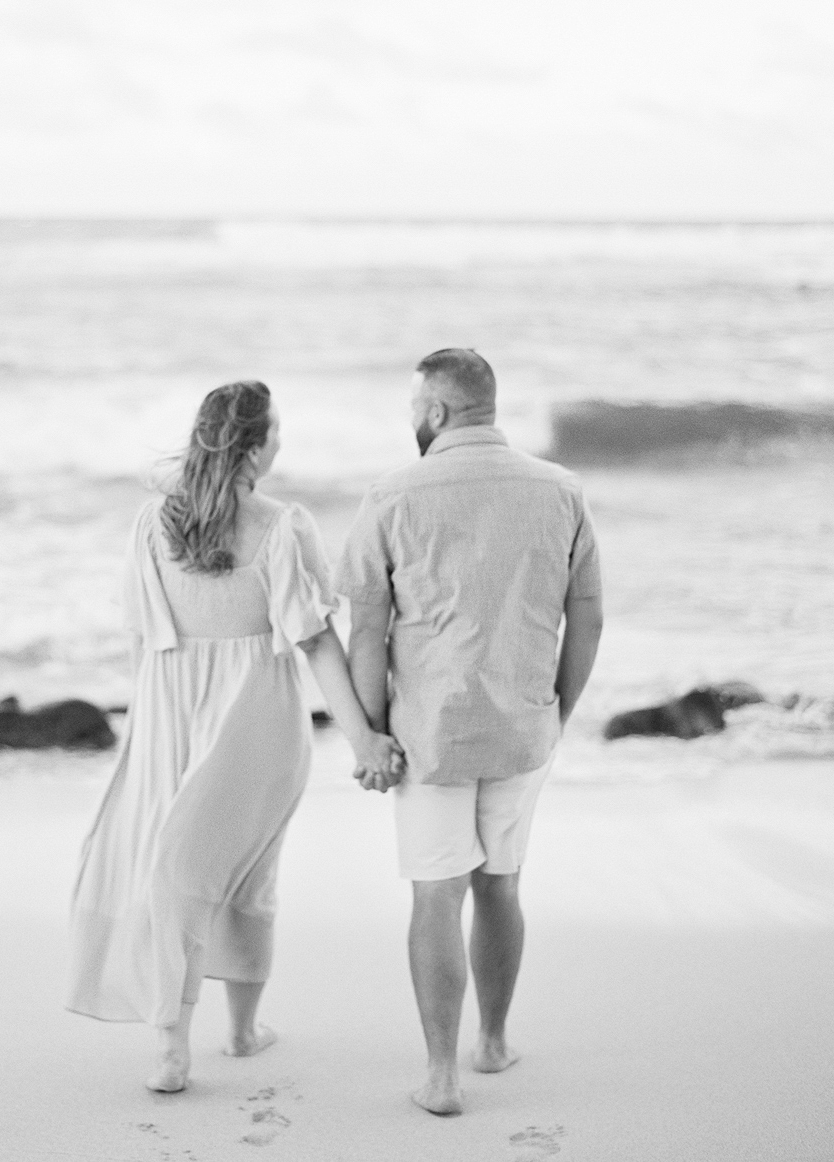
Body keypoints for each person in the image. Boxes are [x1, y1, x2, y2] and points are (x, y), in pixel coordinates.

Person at [66, 380, 404, 1094]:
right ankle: (241, 1031)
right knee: (248, 874)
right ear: (253, 445)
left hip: (168, 707)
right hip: (259, 719)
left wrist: (143, 732)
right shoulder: (282, 526)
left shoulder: (154, 522)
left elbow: (139, 635)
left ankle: (171, 1042)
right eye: (275, 431)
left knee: (174, 870)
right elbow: (315, 644)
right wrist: (363, 739)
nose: (281, 441)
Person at [337, 349, 604, 1116]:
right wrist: (560, 708)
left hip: (430, 734)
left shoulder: (392, 495)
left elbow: (365, 627)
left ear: (438, 412)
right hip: (523, 726)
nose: (411, 417)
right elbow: (585, 613)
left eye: (415, 405)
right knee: (501, 884)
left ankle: (441, 1076)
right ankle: (491, 1040)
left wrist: (372, 735)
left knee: (435, 895)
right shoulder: (561, 490)